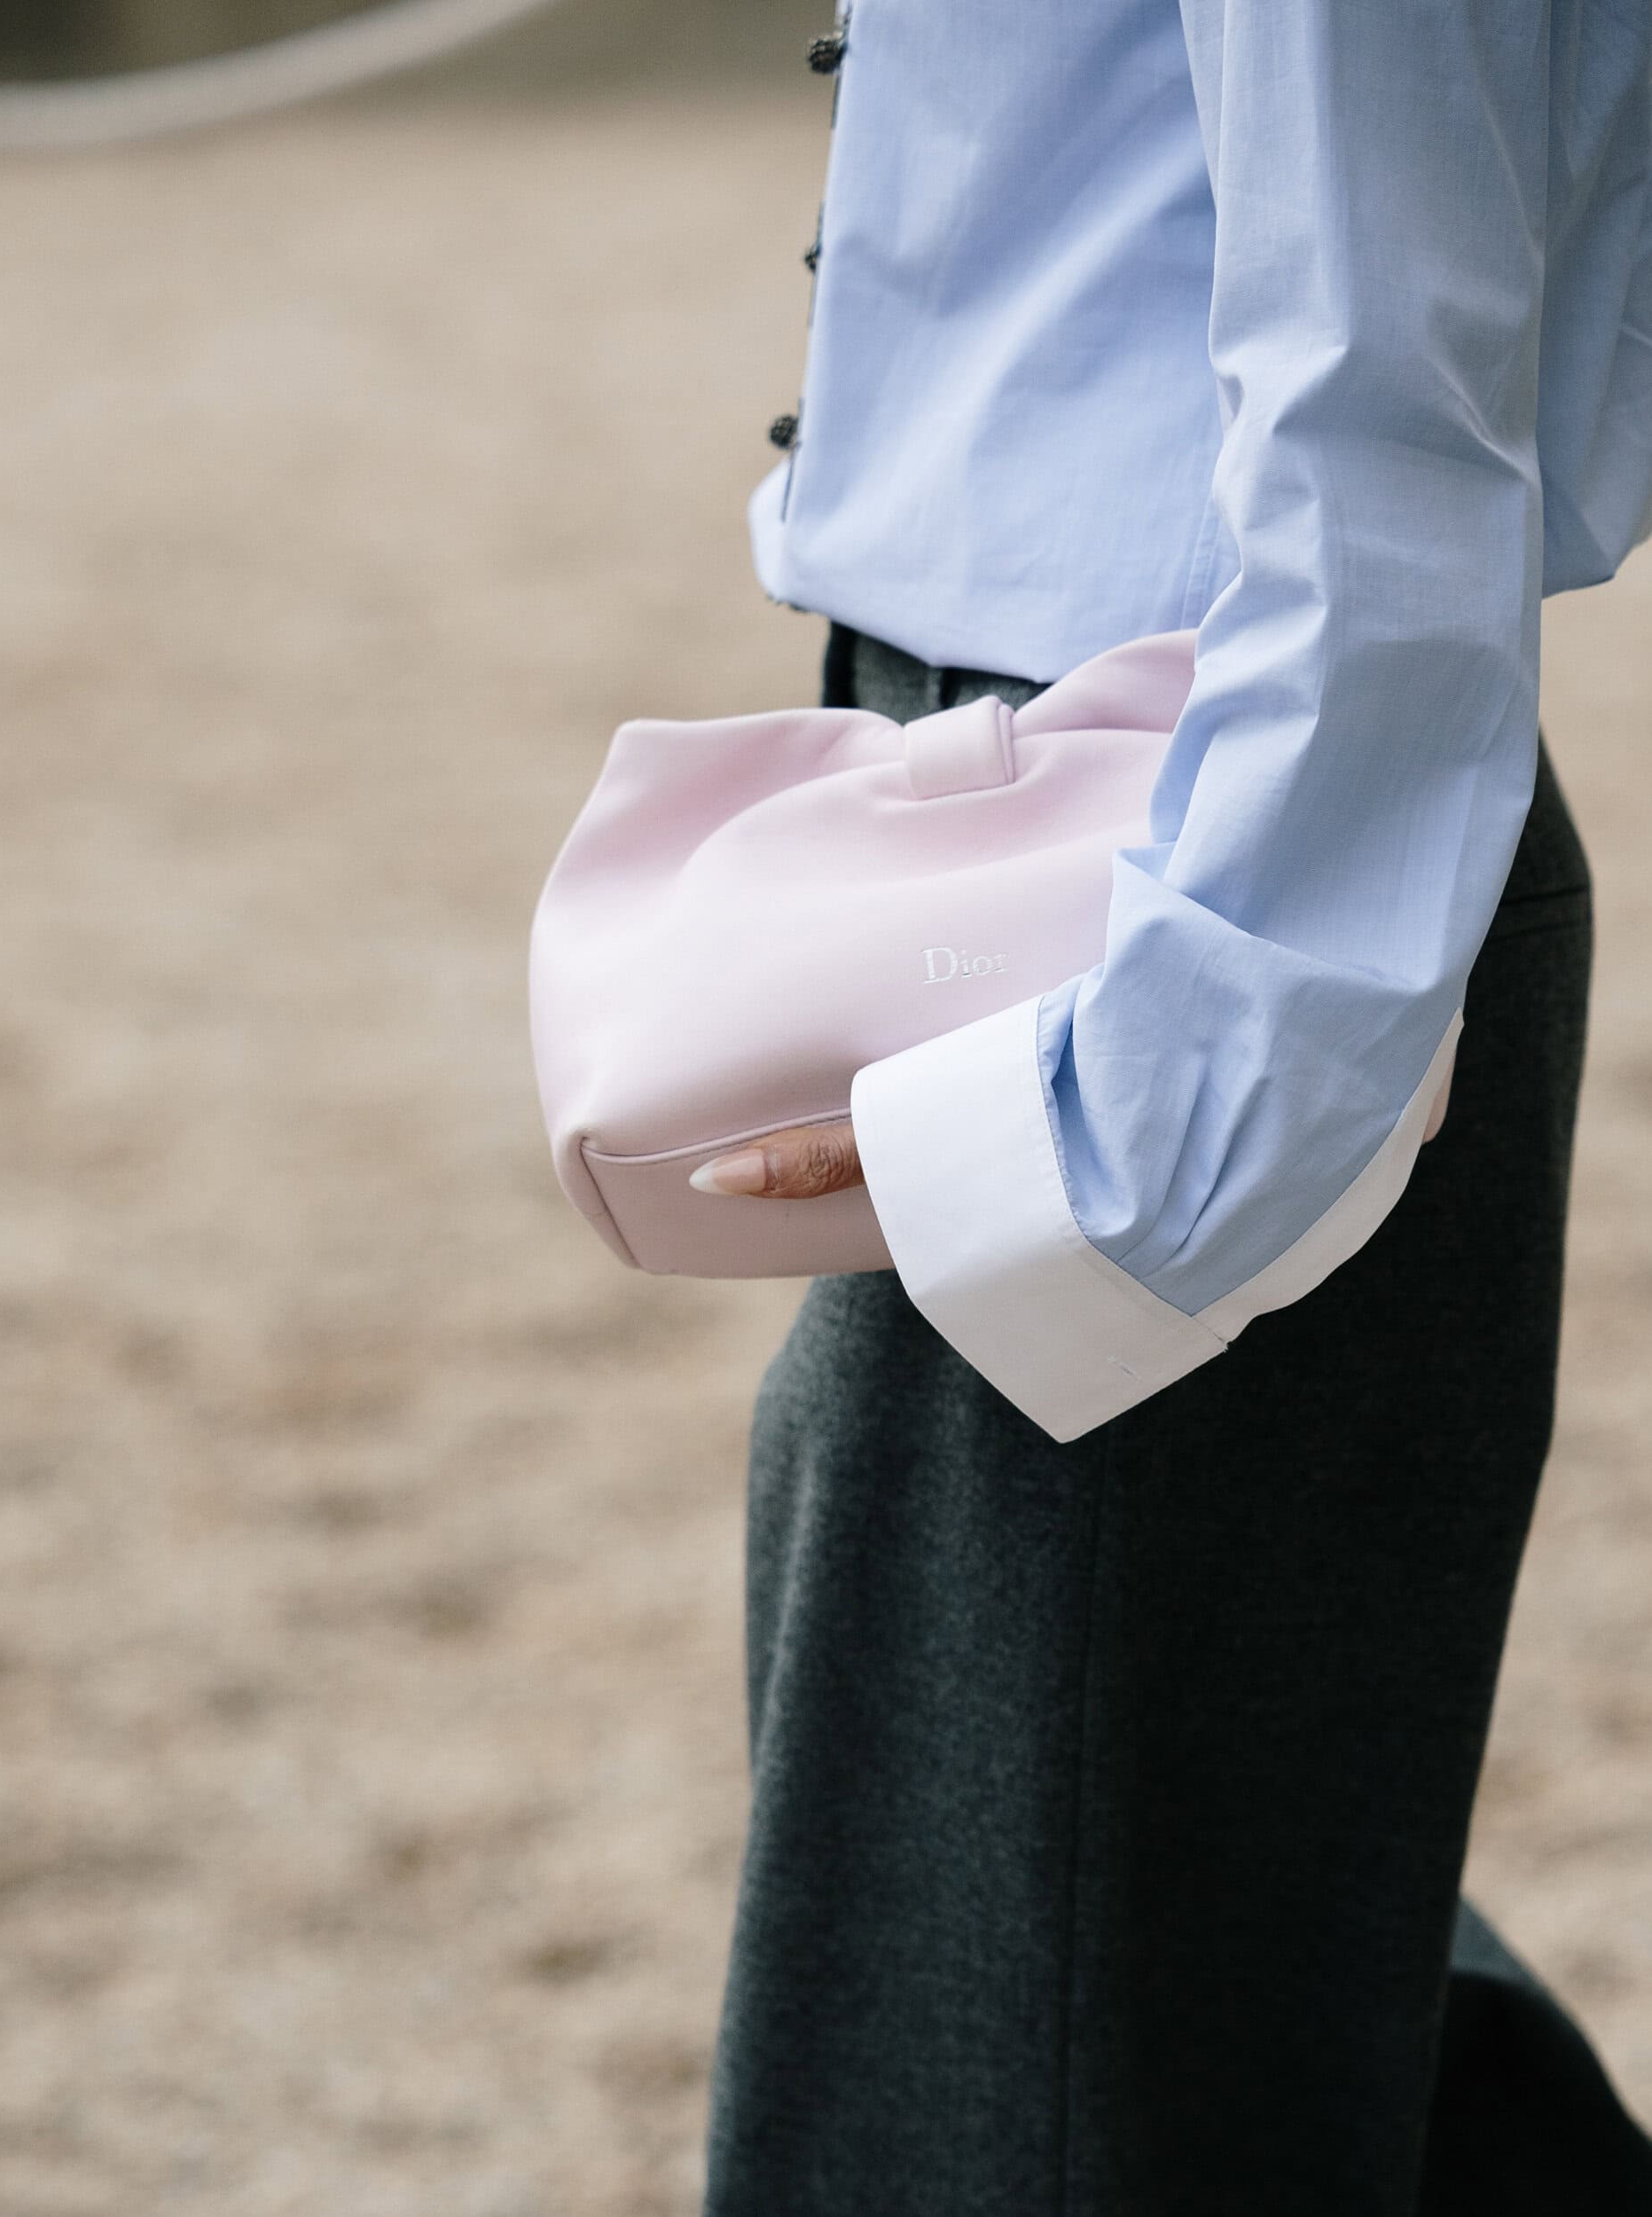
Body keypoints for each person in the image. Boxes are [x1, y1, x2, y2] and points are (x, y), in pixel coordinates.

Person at [685, 3, 1652, 2210]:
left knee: (1006, 2075)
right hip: (1077, 807)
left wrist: (1145, 1122)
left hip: (1200, 872)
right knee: (1174, 1981)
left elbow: (1390, 392)